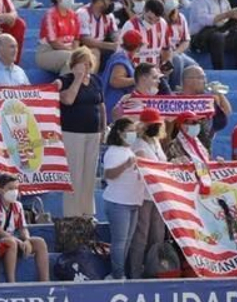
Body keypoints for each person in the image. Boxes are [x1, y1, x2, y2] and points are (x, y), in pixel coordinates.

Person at [57, 46, 106, 218]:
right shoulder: (67, 79)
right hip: (73, 133)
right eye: (81, 63)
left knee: (89, 175)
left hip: (93, 133)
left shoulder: (95, 81)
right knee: (74, 175)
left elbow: (101, 104)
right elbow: (68, 100)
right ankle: (72, 215)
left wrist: (103, 127)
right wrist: (77, 79)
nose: (84, 67)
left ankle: (87, 213)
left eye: (87, 63)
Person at [0, 173, 52, 283]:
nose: (14, 191)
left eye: (16, 188)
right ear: (1, 190)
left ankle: (45, 281)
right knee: (12, 242)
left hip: (13, 239)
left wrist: (26, 239)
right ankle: (12, 282)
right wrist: (18, 240)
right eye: (10, 188)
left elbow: (22, 228)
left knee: (40, 243)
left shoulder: (18, 206)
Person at [126, 111, 169, 279]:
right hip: (143, 195)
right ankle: (135, 271)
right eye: (152, 124)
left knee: (157, 236)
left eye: (157, 124)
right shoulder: (138, 144)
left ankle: (155, 270)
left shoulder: (156, 142)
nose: (156, 127)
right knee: (141, 235)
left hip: (158, 196)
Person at [100, 118, 143, 278]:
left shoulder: (129, 150)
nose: (133, 134)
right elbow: (109, 174)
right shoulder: (114, 151)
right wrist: (125, 165)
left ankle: (119, 272)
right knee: (119, 242)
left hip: (133, 201)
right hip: (118, 202)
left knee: (127, 241)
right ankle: (118, 274)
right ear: (120, 133)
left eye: (134, 130)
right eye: (130, 131)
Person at [36, 0, 82, 74]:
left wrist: (76, 51)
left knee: (86, 58)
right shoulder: (50, 14)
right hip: (47, 52)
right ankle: (64, 85)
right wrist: (74, 53)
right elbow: (53, 43)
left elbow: (76, 39)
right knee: (72, 58)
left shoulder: (74, 15)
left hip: (68, 50)